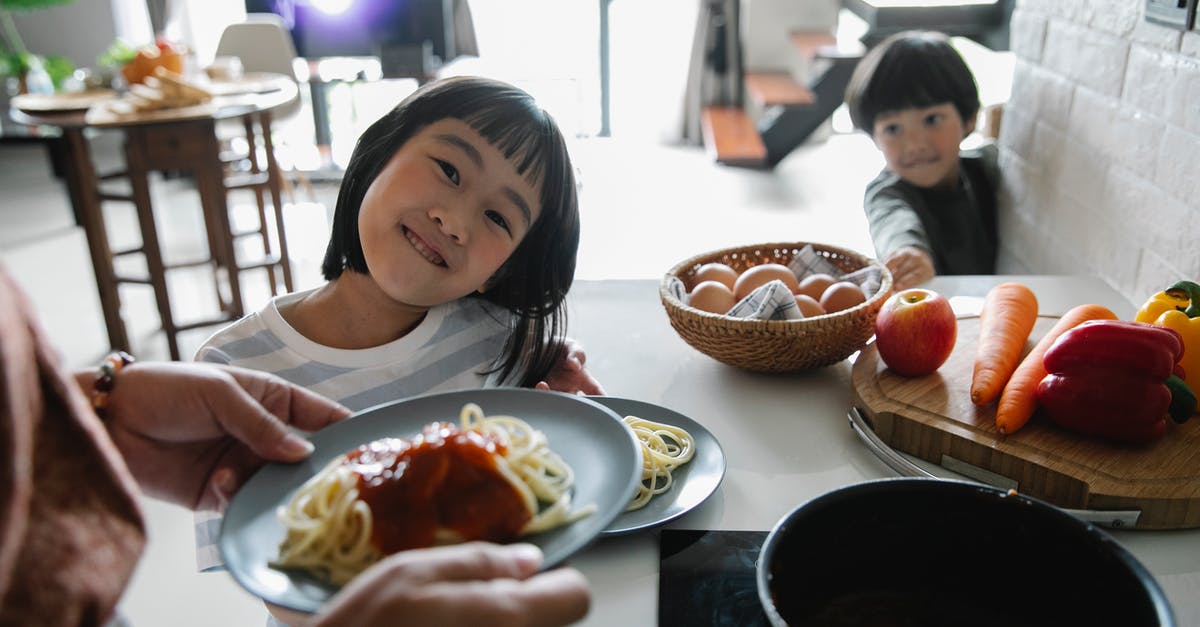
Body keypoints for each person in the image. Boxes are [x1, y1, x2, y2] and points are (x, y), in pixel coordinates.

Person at [0, 268, 590, 627]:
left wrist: (101, 406)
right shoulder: (237, 354)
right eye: (448, 168)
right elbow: (280, 584)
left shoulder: (485, 327)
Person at [844, 30, 1000, 290]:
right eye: (893, 129)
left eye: (932, 120)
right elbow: (893, 223)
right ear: (874, 137)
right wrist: (910, 254)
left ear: (969, 118)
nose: (915, 144)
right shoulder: (887, 193)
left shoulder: (988, 168)